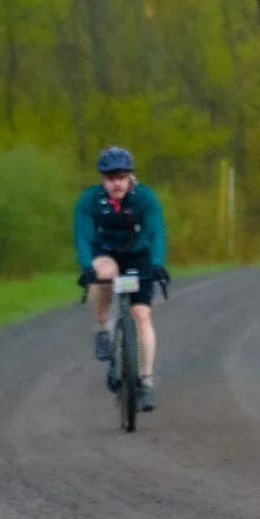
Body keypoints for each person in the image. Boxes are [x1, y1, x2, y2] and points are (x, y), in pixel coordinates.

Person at [74, 146, 168, 411]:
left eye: (121, 176)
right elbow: (82, 236)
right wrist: (86, 267)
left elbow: (157, 232)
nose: (116, 183)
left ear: (130, 177)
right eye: (110, 177)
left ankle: (146, 383)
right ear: (102, 179)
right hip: (105, 253)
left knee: (142, 317)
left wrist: (157, 265)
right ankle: (102, 327)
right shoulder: (90, 201)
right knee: (104, 273)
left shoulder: (145, 198)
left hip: (137, 256)